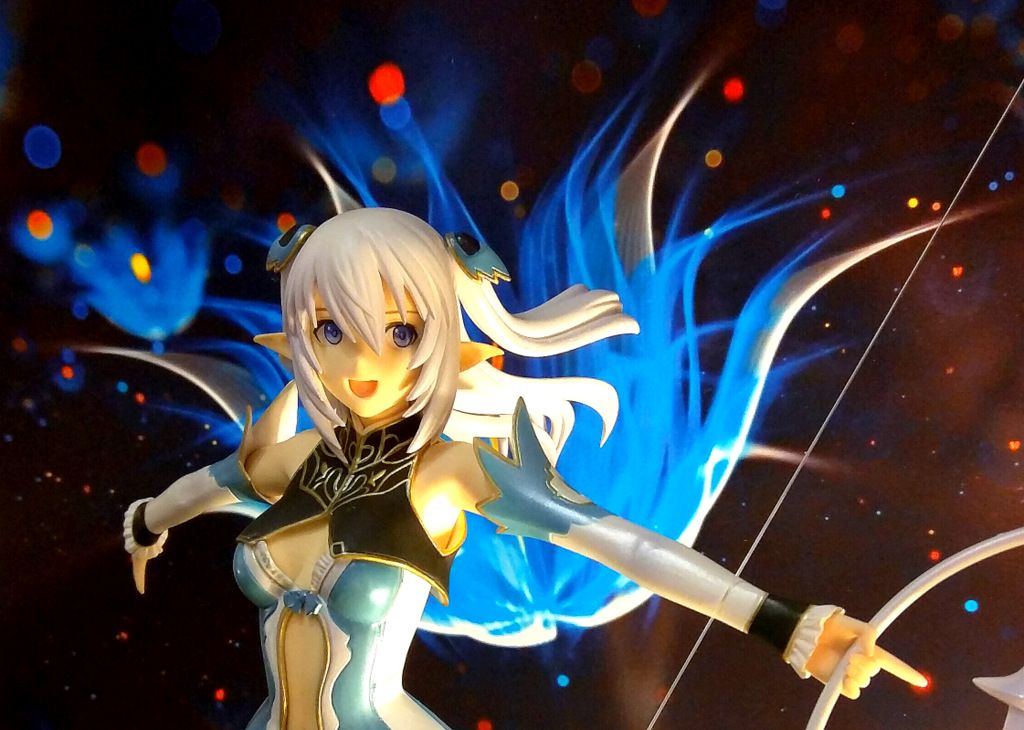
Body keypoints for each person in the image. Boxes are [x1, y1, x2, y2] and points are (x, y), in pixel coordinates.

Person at [123, 207, 924, 730]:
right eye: (332, 331)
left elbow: (619, 544)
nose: (363, 362)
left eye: (400, 333)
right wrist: (145, 524)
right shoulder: (290, 462)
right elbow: (199, 491)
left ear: (442, 330)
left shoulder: (447, 473)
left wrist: (782, 622)